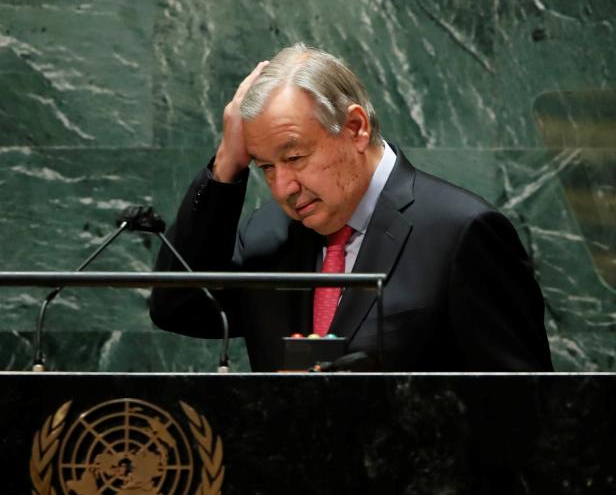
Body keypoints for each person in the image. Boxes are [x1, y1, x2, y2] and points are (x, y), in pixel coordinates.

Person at [150, 44, 553, 372]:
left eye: (294, 158)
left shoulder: (462, 233)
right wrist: (226, 166)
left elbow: (523, 406)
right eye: (266, 168)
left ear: (356, 128)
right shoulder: (267, 235)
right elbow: (178, 308)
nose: (283, 187)